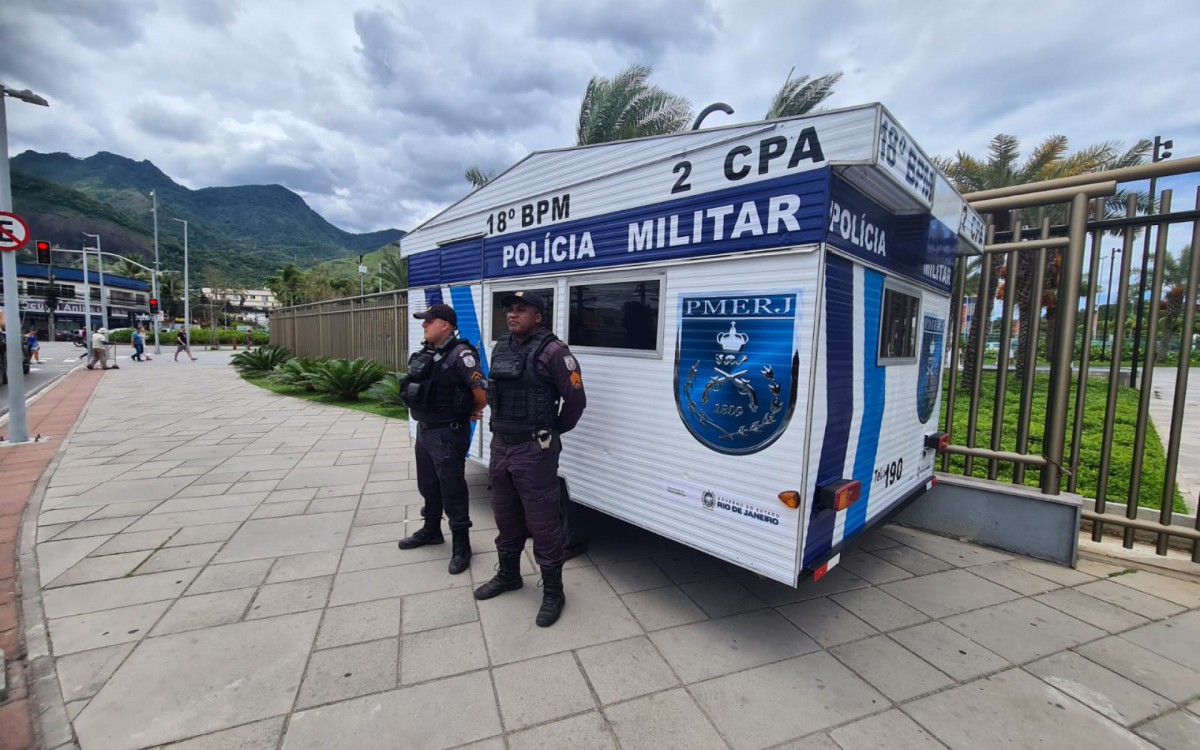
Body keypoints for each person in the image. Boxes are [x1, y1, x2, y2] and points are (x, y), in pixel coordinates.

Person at [474, 290, 587, 627]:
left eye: (521, 309)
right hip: (501, 447)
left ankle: (554, 592)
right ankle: (509, 576)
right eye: (510, 309)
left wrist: (551, 433)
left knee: (543, 523)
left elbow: (576, 401)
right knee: (505, 516)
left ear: (539, 316)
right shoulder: (501, 347)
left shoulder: (554, 351)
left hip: (533, 451)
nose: (512, 314)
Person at [396, 304, 488, 575]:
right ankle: (431, 530)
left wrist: (471, 411)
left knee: (453, 490)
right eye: (424, 322)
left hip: (448, 433)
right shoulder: (428, 352)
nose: (424, 326)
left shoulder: (461, 354)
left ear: (445, 325)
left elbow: (481, 393)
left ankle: (462, 546)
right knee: (428, 484)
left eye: (429, 321)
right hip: (425, 431)